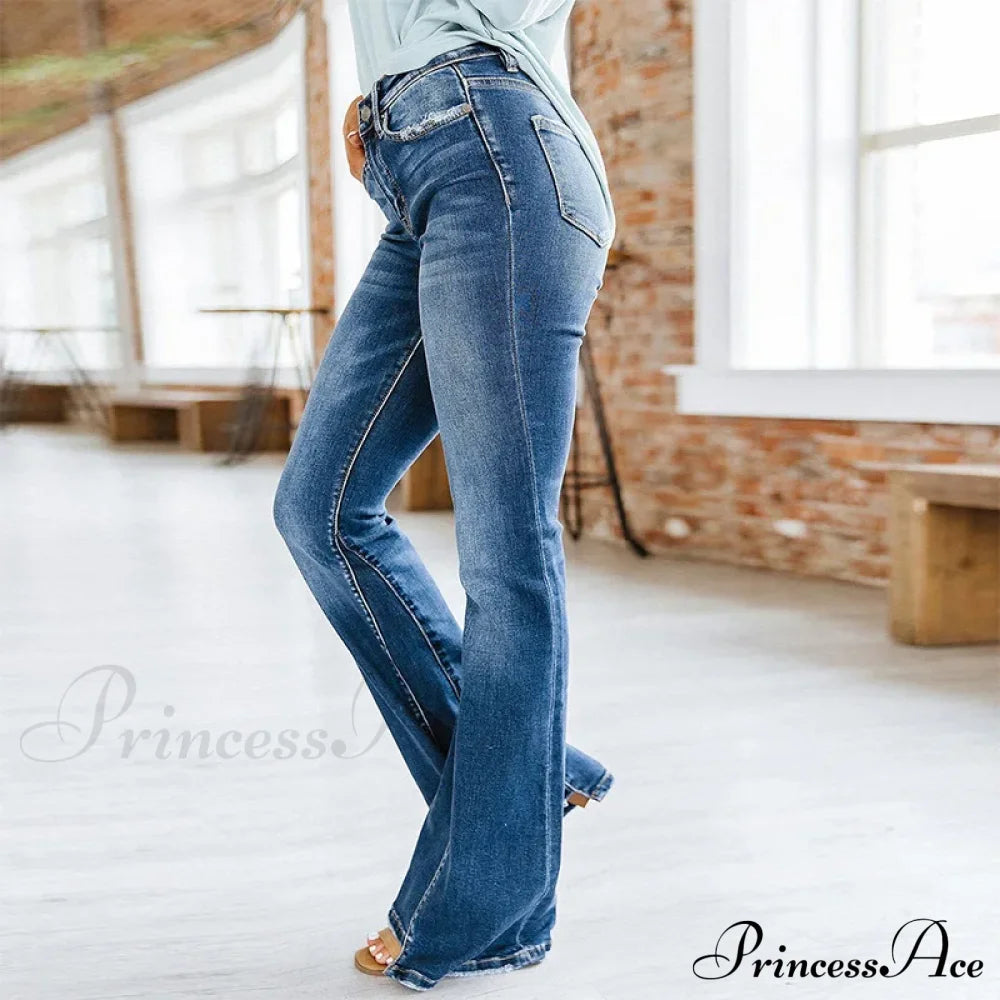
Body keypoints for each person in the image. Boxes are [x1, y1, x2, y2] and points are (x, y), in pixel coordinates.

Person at [273, 1, 615, 989]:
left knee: (505, 555)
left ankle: (482, 909)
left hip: (495, 140)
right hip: (416, 163)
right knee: (319, 509)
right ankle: (535, 774)